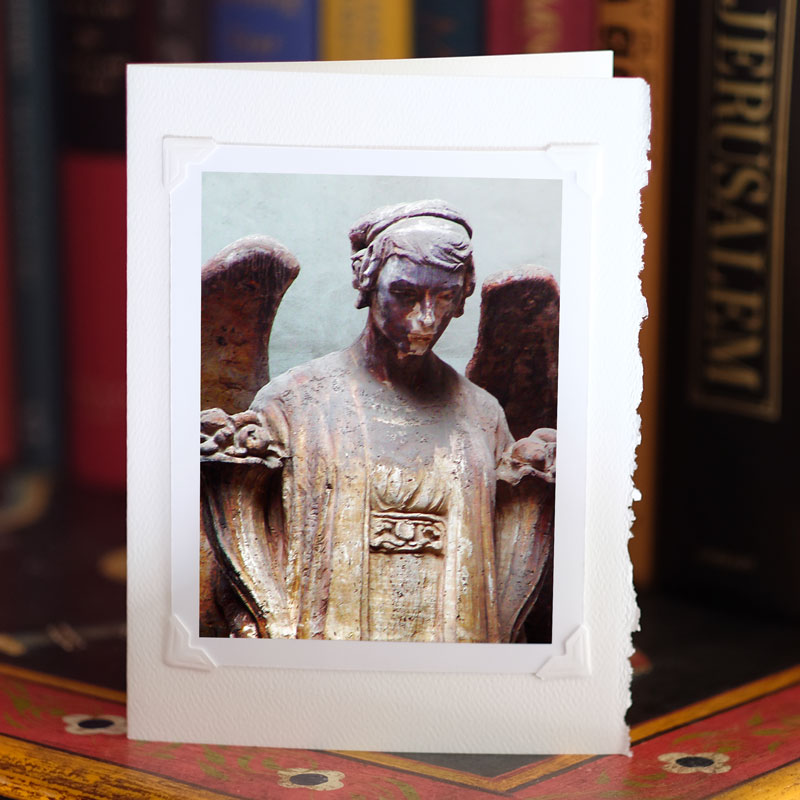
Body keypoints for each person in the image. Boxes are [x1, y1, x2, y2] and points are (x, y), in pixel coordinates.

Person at [200, 200, 555, 642]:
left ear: (463, 293)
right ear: (367, 280)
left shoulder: (481, 414)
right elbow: (234, 553)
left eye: (445, 296)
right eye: (405, 294)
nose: (426, 318)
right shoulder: (297, 402)